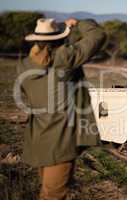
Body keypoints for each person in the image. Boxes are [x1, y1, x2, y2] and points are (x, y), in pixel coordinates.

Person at [16, 18, 106, 199]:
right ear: (58, 39)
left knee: (47, 191)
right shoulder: (65, 57)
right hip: (61, 139)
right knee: (53, 195)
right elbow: (98, 35)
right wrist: (79, 23)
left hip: (39, 138)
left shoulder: (24, 65)